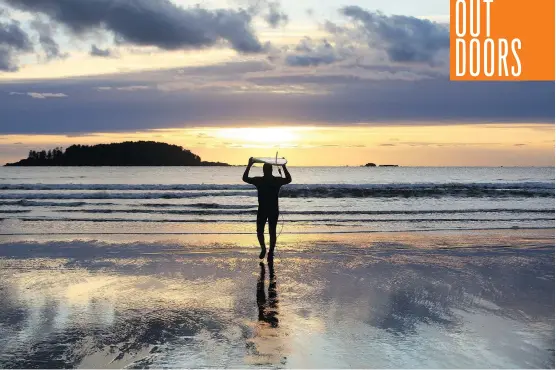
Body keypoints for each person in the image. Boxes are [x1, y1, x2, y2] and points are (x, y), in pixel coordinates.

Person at [242, 157, 292, 260]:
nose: (266, 171)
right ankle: (268, 250)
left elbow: (245, 178)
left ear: (264, 170)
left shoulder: (260, 180)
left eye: (266, 170)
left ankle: (266, 249)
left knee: (262, 231)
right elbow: (288, 179)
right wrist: (283, 166)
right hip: (271, 209)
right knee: (270, 231)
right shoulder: (275, 180)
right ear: (271, 170)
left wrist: (249, 165)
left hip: (264, 209)